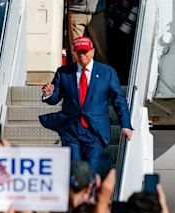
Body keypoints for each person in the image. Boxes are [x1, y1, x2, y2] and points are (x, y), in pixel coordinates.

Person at [39, 36, 133, 173]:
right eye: (79, 52)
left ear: (93, 51)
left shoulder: (107, 72)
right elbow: (55, 99)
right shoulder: (64, 72)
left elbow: (118, 99)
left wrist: (125, 125)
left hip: (95, 130)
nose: (82, 55)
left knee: (92, 171)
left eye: (85, 51)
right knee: (74, 172)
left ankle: (91, 194)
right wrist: (48, 94)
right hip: (71, 128)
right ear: (74, 53)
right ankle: (76, 194)